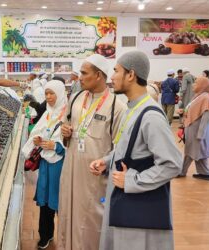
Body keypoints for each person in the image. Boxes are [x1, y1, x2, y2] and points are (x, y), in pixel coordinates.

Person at [89, 50, 182, 250]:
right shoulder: (131, 109)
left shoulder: (151, 116)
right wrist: (106, 161)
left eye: (115, 71)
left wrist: (132, 180)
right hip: (124, 201)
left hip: (138, 210)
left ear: (131, 75)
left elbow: (173, 164)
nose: (111, 77)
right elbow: (127, 149)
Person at [58, 54, 126, 250]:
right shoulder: (76, 98)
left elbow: (119, 149)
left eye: (84, 73)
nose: (80, 77)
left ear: (98, 75)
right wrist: (65, 132)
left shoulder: (116, 107)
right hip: (71, 172)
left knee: (92, 222)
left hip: (95, 179)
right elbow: (66, 126)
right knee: (67, 215)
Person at [22, 80, 67, 249]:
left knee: (60, 201)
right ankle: (45, 234)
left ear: (60, 94)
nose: (48, 97)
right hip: (46, 165)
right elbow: (39, 130)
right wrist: (37, 140)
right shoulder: (48, 113)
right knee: (45, 201)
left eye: (52, 93)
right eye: (46, 93)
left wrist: (57, 146)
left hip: (60, 166)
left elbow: (75, 144)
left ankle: (64, 236)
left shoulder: (69, 115)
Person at [178, 77, 209, 180]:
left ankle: (182, 172)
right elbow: (192, 110)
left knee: (190, 152)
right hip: (194, 131)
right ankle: (205, 173)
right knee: (199, 153)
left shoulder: (205, 98)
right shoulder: (198, 96)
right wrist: (184, 112)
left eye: (196, 83)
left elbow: (206, 117)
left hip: (197, 133)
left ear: (202, 85)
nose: (193, 85)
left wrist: (201, 134)